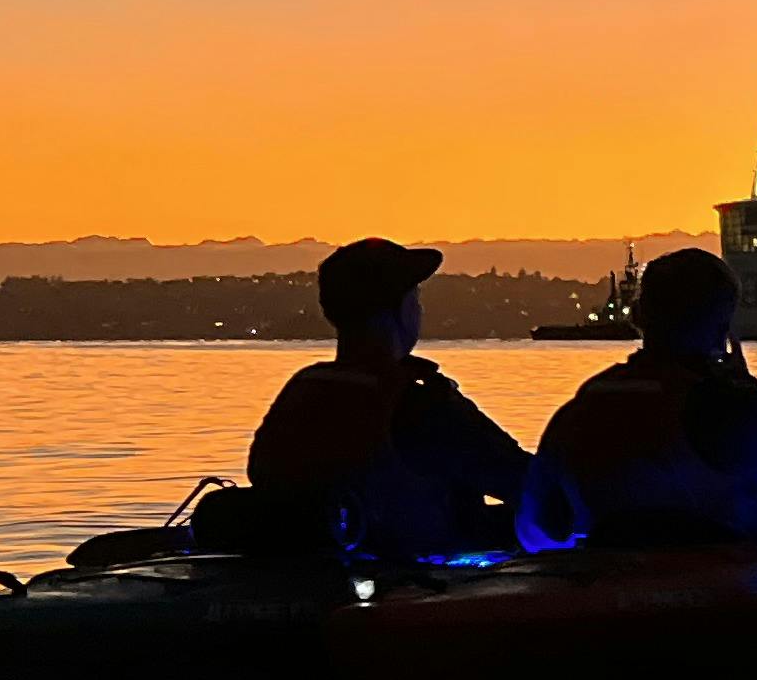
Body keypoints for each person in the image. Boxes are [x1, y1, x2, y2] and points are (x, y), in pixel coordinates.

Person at [209, 237, 534, 558]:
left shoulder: (304, 388)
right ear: (399, 310)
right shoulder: (420, 402)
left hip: (305, 561)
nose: (419, 309)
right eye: (415, 298)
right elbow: (528, 484)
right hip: (407, 574)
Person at [518, 248, 757, 551]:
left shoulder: (584, 406)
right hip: (730, 595)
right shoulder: (733, 407)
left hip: (611, 589)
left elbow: (535, 528)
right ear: (723, 327)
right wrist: (751, 390)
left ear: (639, 318)